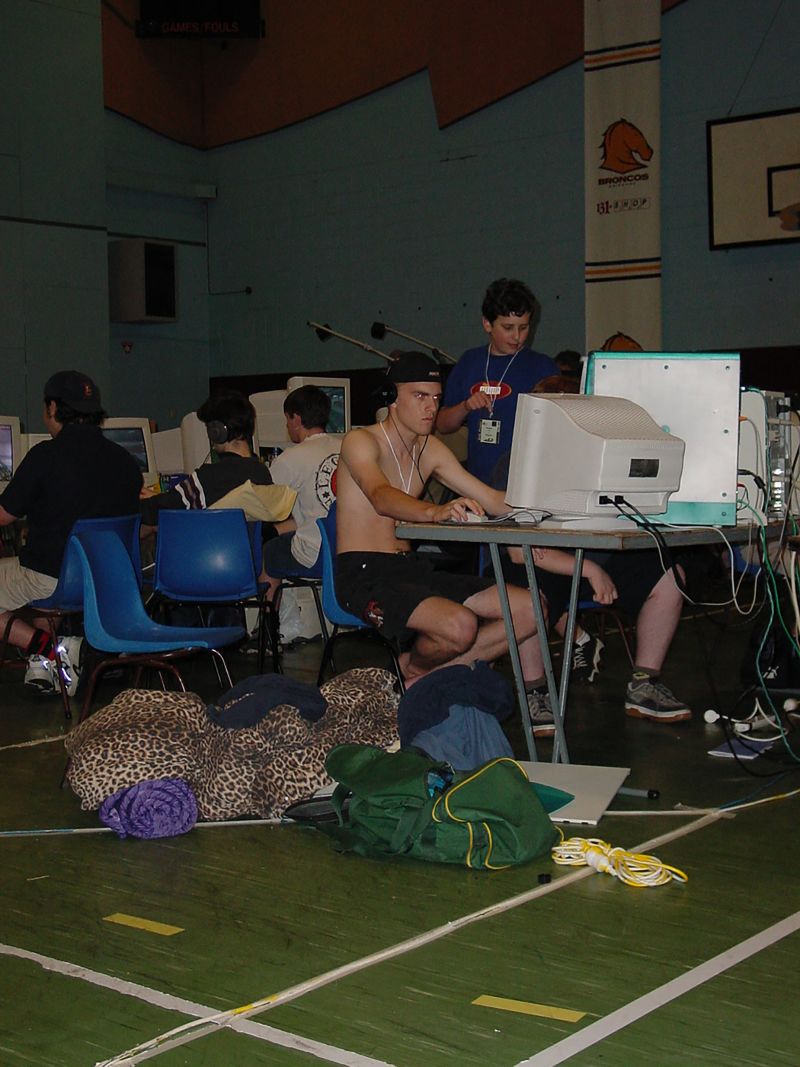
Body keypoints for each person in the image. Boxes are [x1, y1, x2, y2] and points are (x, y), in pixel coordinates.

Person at [334, 351, 556, 735]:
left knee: (530, 608)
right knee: (459, 626)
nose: (431, 408)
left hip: (409, 570)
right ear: (392, 396)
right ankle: (415, 671)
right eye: (420, 396)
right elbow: (380, 495)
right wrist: (434, 511)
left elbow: (493, 499)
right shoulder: (361, 441)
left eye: (436, 398)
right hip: (363, 572)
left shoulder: (430, 448)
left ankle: (416, 676)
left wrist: (563, 505)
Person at [0, 370, 143, 694]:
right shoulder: (125, 461)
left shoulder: (45, 456)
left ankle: (46, 649)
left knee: (36, 565)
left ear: (52, 408)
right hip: (108, 581)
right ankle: (56, 657)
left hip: (54, 579)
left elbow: (4, 515)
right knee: (44, 558)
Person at [436, 277, 556, 483]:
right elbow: (443, 425)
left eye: (524, 327)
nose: (517, 337)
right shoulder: (470, 362)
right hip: (479, 484)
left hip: (528, 482)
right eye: (508, 328)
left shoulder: (543, 368)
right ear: (487, 324)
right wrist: (465, 406)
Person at [139, 390, 272, 533]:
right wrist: (163, 498)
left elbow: (153, 511)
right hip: (245, 553)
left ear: (217, 431)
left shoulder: (209, 476)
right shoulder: (262, 472)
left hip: (205, 553)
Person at [262, 385, 341, 600]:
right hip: (348, 550)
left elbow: (262, 505)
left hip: (315, 554)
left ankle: (267, 626)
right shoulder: (347, 447)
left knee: (267, 550)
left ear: (296, 418)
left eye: (287, 419)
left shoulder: (291, 458)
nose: (287, 426)